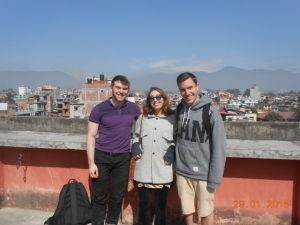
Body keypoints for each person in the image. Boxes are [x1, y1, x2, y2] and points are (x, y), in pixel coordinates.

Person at [86, 75, 140, 225]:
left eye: (124, 89)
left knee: (117, 197)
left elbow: (145, 124)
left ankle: (111, 223)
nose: (121, 91)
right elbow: (90, 136)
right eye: (118, 88)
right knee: (99, 197)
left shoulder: (133, 108)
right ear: (111, 89)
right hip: (102, 157)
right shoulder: (99, 109)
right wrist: (91, 163)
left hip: (122, 158)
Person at [174, 72, 227, 225]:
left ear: (197, 86)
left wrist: (215, 178)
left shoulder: (210, 113)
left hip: (204, 173)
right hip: (183, 171)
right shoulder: (180, 110)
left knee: (206, 212)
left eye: (190, 88)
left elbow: (219, 147)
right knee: (188, 212)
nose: (187, 92)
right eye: (183, 89)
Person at [131, 87, 176, 225]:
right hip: (143, 168)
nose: (155, 100)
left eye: (158, 97)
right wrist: (134, 145)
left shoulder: (173, 119)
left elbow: (178, 139)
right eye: (152, 98)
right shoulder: (143, 118)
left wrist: (172, 149)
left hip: (163, 169)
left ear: (164, 98)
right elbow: (135, 136)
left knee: (160, 208)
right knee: (143, 207)